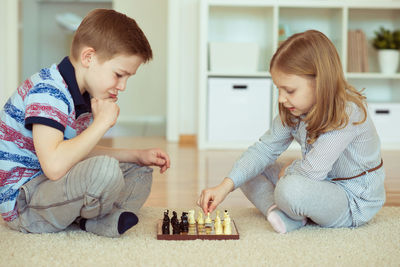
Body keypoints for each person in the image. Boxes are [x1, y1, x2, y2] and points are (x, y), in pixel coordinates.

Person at [0, 9, 170, 237]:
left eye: (128, 77)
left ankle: (91, 221)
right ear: (89, 57)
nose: (123, 86)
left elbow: (76, 151)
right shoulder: (49, 91)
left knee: (139, 172)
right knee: (105, 171)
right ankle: (96, 219)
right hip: (25, 204)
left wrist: (136, 154)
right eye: (119, 75)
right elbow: (55, 165)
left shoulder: (84, 95)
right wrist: (101, 124)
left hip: (52, 188)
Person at [198, 30, 385, 234]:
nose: (281, 98)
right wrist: (224, 187)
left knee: (291, 189)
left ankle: (290, 209)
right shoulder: (296, 110)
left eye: (289, 90)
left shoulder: (347, 112)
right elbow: (263, 150)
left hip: (351, 200)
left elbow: (312, 171)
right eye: (278, 89)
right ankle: (280, 213)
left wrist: (288, 169)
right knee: (247, 170)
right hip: (317, 183)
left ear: (320, 82)